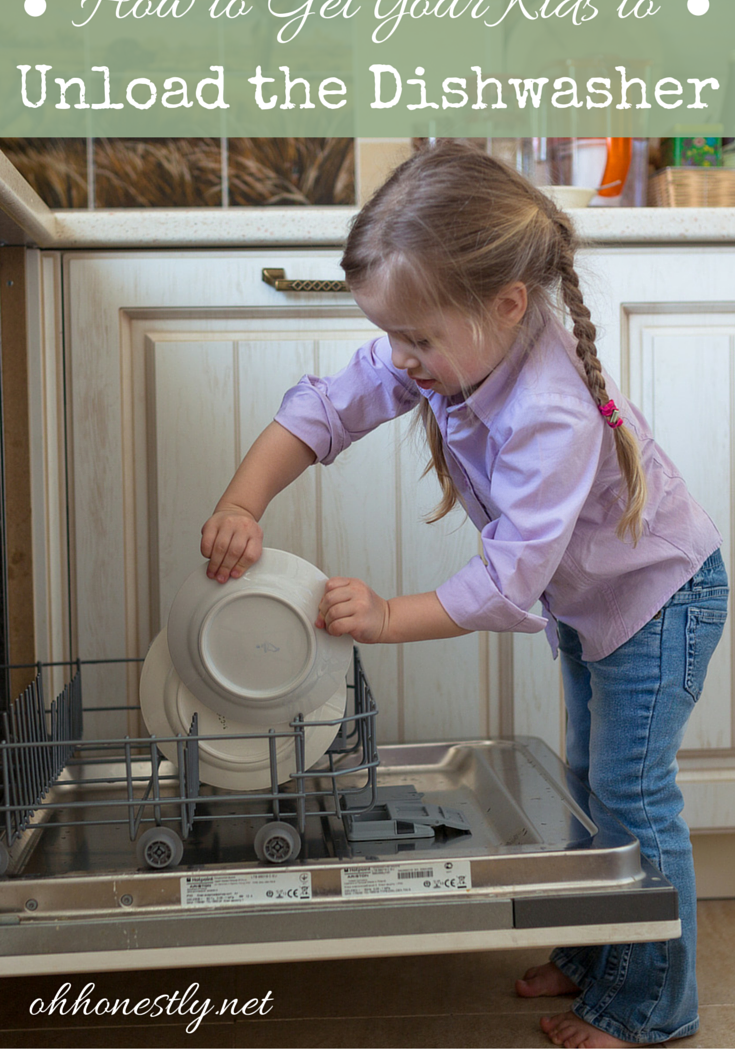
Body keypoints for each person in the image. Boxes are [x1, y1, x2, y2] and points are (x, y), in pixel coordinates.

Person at [200, 141, 728, 1048]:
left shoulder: (548, 410)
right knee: (587, 785)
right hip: (593, 604)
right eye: (392, 334)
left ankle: (651, 1009)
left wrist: (386, 618)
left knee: (632, 797)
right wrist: (242, 500)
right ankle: (599, 953)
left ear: (505, 305)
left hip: (658, 603)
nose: (399, 358)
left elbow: (505, 577)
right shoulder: (451, 346)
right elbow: (329, 406)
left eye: (416, 337)